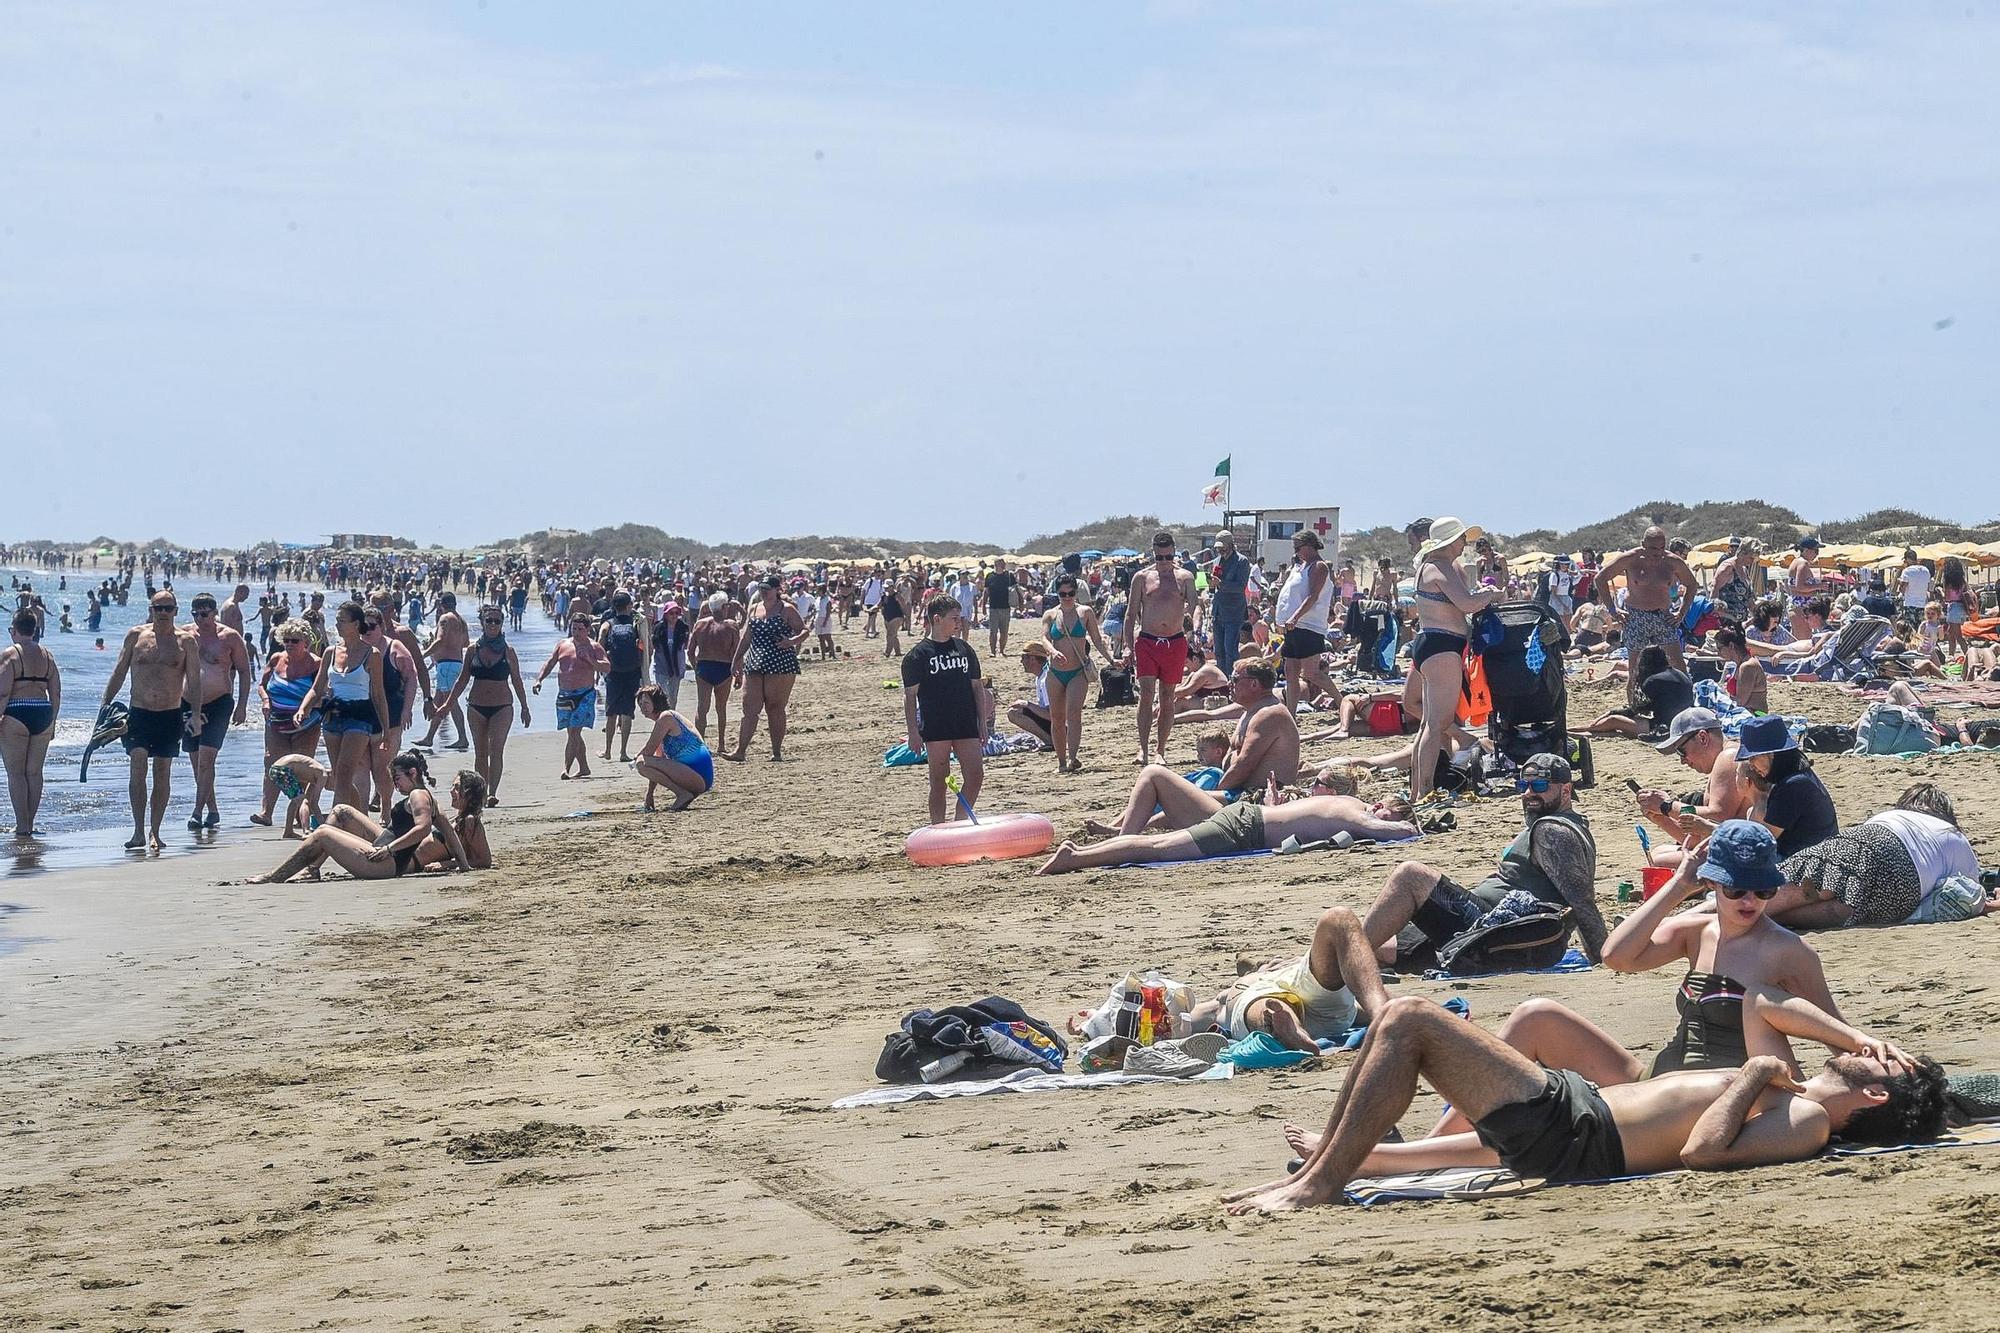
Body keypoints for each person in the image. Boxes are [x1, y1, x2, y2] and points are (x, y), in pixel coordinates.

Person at [1226, 994, 1944, 1214]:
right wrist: (1854, 1032)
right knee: (1396, 1021)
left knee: (1412, 1020)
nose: (1874, 1052)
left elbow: (1703, 1152)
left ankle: (1318, 1184)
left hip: (1577, 1133)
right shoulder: (1793, 1085)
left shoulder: (1812, 1119)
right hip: (1578, 1111)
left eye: (1881, 1060)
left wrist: (1754, 1072)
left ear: (1875, 1091)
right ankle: (1323, 1169)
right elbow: (1766, 1005)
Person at [1601, 821, 1841, 1074]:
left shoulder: (1788, 950)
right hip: (1664, 1081)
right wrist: (1678, 886)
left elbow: (1834, 1030)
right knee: (1553, 1017)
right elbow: (1616, 957)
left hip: (1732, 1091)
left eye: (1763, 890)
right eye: (1735, 889)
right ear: (1712, 883)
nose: (1750, 900)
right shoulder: (1697, 932)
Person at [1357, 753, 1607, 966]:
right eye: (1524, 786)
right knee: (1382, 941)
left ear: (1566, 790)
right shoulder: (1555, 826)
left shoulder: (1554, 831)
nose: (1528, 793)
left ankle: (1351, 964)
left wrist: (1603, 958)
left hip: (1500, 933)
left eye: (1540, 786)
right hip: (1483, 924)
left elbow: (1581, 901)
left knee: (1410, 876)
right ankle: (1349, 966)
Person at [1076, 659, 1302, 841]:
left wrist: (1217, 786)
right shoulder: (1252, 710)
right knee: (1169, 785)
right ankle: (1119, 828)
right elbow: (1211, 719)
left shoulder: (1269, 714)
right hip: (1238, 793)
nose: (1230, 684)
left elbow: (1244, 765)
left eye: (1235, 679)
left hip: (1254, 800)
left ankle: (1122, 838)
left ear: (1254, 684)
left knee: (1162, 782)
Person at [1038, 785, 1417, 876]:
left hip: (1246, 818)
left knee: (1158, 844)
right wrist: (1411, 828)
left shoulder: (1347, 800)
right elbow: (1390, 832)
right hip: (1243, 829)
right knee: (1156, 848)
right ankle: (1077, 857)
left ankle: (1082, 854)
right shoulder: (1357, 814)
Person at [1764, 783, 1981, 930]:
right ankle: (1768, 919)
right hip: (1908, 883)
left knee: (1819, 875)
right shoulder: (1954, 835)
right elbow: (1967, 892)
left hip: (1870, 838)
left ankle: (1746, 910)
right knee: (1847, 909)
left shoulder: (1894, 814)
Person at [245, 750, 471, 883]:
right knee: (341, 811)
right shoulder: (430, 798)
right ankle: (312, 869)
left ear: (413, 774)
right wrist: (463, 866)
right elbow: (450, 835)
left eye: (397, 778)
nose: (394, 783)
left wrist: (388, 849)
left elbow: (422, 829)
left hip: (384, 863)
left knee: (323, 832)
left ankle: (274, 877)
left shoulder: (418, 795)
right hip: (384, 854)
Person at [1207, 906, 1395, 1054]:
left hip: (1311, 996)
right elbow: (1196, 1016)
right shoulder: (1235, 991)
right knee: (1265, 1003)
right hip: (1269, 999)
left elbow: (1355, 1010)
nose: (1274, 961)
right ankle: (1288, 1029)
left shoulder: (1283, 969)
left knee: (1339, 918)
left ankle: (1290, 1029)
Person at [100, 591, 200, 850]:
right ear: (151, 610)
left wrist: (196, 715)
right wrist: (104, 706)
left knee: (162, 772)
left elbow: (194, 682)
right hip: (140, 713)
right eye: (159, 608)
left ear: (176, 611)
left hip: (170, 714)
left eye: (168, 608)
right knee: (138, 764)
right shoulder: (136, 636)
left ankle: (156, 831)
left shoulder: (186, 641)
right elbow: (119, 672)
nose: (163, 612)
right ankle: (138, 832)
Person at [1409, 518, 1497, 801]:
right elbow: (1467, 604)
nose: (1464, 545)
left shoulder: (1427, 566)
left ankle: (1417, 791)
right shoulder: (1439, 567)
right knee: (1436, 725)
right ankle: (1424, 791)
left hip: (1431, 644)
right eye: (1461, 540)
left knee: (1428, 725)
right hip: (1442, 646)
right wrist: (1491, 594)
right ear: (1450, 541)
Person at [902, 594, 989, 825]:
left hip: (965, 722)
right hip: (936, 725)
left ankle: (960, 821)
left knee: (975, 775)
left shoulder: (964, 649)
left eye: (959, 618)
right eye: (954, 618)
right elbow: (910, 697)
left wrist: (983, 722)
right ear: (937, 619)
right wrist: (913, 732)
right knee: (939, 780)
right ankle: (938, 827)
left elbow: (977, 687)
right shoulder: (918, 655)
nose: (959, 622)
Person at [432, 604, 530, 806]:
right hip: (476, 707)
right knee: (480, 752)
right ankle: (481, 793)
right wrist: (447, 705)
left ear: (502, 624)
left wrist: (525, 707)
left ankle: (492, 792)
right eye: (489, 620)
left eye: (497, 621)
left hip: (502, 706)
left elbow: (517, 680)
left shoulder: (508, 651)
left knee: (497, 749)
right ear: (483, 623)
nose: (493, 624)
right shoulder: (472, 650)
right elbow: (462, 680)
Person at [1637, 707, 1754, 867]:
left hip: (1744, 854)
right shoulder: (1723, 758)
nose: (1682, 761)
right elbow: (1704, 835)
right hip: (1734, 846)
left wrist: (1667, 806)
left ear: (1703, 738)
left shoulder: (1728, 757)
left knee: (1659, 861)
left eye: (1681, 751)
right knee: (1658, 853)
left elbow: (1718, 816)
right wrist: (1662, 819)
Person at [1597, 527, 1699, 706]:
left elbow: (1692, 584)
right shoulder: (1630, 559)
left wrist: (1681, 613)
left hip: (1663, 616)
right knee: (1635, 666)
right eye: (1653, 548)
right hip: (1636, 616)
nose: (1658, 553)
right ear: (1643, 545)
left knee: (1677, 662)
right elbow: (1600, 579)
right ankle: (1634, 707)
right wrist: (1613, 610)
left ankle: (1688, 704)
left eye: (1661, 548)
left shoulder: (1672, 562)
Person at [179, 592, 253, 831]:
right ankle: (212, 809)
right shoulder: (185, 634)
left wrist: (242, 705)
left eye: (204, 614)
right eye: (196, 614)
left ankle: (197, 812)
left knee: (207, 759)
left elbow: (243, 671)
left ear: (214, 613)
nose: (200, 619)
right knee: (196, 761)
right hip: (188, 704)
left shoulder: (229, 637)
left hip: (218, 702)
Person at [1124, 530, 1197, 767]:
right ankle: (1142, 748)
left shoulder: (1185, 577)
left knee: (1167, 696)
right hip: (1147, 641)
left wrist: (1194, 627)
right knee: (1146, 695)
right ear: (1153, 554)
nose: (1164, 562)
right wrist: (1127, 647)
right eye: (1159, 557)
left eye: (1168, 557)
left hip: (1174, 642)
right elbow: (1130, 613)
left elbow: (1195, 606)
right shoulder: (1141, 578)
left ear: (1174, 553)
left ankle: (1160, 750)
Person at [1039, 572, 1118, 773]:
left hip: (1077, 671)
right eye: (1062, 593)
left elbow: (1097, 640)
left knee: (1074, 714)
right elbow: (1045, 638)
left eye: (1070, 593)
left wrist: (1111, 660)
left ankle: (1073, 757)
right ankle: (1061, 762)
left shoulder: (1085, 612)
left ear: (1076, 592)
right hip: (1055, 673)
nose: (1066, 597)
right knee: (1056, 718)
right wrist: (1053, 651)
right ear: (1056, 593)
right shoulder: (1050, 614)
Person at [729, 575, 809, 763]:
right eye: (762, 588)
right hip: (755, 661)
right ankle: (740, 751)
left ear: (777, 590)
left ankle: (776, 752)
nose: (764, 591)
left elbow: (804, 630)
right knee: (750, 707)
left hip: (780, 663)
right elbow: (746, 637)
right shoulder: (755, 608)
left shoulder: (787, 609)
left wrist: (791, 642)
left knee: (775, 707)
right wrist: (736, 660)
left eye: (768, 588)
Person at [252, 621, 322, 828]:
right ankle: (266, 812)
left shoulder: (316, 664)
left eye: (294, 641)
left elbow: (322, 692)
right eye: (286, 640)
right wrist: (265, 700)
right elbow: (261, 685)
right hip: (276, 722)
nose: (289, 644)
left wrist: (306, 708)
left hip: (306, 724)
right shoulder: (276, 659)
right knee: (273, 765)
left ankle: (297, 814)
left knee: (299, 769)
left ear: (306, 642)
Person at [1734, 716, 1837, 859]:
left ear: (1771, 754)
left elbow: (1760, 841)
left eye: (1753, 758)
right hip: (1812, 858)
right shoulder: (1798, 776)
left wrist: (1710, 829)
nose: (1751, 765)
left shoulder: (1792, 786)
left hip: (1809, 864)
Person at [0, 608, 61, 836]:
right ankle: (30, 823)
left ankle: (22, 825)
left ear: (14, 630)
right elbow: (56, 693)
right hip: (43, 712)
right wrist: (53, 721)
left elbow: (4, 693)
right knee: (34, 773)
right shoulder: (47, 655)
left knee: (16, 774)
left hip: (16, 711)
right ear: (35, 630)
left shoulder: (10, 654)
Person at [535, 608, 610, 780]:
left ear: (588, 629)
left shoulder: (594, 647)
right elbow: (550, 663)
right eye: (574, 629)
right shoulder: (563, 644)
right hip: (564, 694)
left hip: (585, 694)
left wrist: (591, 660)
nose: (576, 632)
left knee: (574, 732)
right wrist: (539, 679)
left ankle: (565, 768)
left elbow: (607, 666)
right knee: (571, 732)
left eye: (580, 629)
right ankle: (584, 768)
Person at [1273, 530, 1336, 721]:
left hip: (1307, 625)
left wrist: (1294, 617)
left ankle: (1341, 701)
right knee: (1290, 670)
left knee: (1312, 672)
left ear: (1309, 546)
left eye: (1298, 548)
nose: (1296, 552)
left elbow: (1313, 596)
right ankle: (1290, 715)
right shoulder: (1299, 567)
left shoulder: (1319, 566)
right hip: (1293, 627)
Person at [1575, 644, 1692, 741]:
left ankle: (1580, 730)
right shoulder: (1679, 674)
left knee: (1613, 720)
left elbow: (1636, 709)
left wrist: (1612, 712)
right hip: (1686, 721)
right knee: (1617, 727)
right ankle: (1581, 729)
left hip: (1665, 726)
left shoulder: (1653, 680)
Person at [634, 684, 714, 812]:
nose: (643, 707)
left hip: (699, 776)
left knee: (640, 762)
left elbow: (647, 753)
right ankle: (685, 794)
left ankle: (682, 794)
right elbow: (657, 759)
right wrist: (649, 794)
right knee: (644, 763)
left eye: (646, 702)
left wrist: (636, 756)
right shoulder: (663, 721)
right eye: (640, 703)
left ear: (656, 702)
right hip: (695, 777)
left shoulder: (666, 717)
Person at [598, 591, 649, 764]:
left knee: (611, 713)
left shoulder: (607, 624)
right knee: (627, 712)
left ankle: (607, 751)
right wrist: (643, 669)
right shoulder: (636, 623)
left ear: (614, 607)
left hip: (613, 673)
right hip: (632, 672)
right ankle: (623, 752)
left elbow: (599, 646)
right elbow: (644, 646)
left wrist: (601, 668)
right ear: (629, 606)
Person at [415, 590, 470, 751]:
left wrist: (423, 655)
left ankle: (462, 738)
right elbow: (466, 643)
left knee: (450, 702)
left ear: (441, 604)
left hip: (446, 665)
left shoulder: (445, 619)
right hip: (456, 663)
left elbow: (440, 640)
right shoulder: (461, 620)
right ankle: (429, 737)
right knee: (438, 701)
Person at [690, 592, 740, 747]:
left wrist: (696, 668)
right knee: (721, 708)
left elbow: (690, 651)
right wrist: (739, 675)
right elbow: (737, 652)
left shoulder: (700, 624)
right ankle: (721, 743)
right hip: (723, 668)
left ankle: (700, 743)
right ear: (724, 607)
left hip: (704, 667)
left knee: (702, 708)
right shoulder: (731, 625)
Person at [1208, 529, 1252, 674]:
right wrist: (1211, 585)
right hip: (1218, 611)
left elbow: (1240, 586)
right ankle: (1221, 681)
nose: (1220, 551)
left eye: (1223, 548)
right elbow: (1214, 587)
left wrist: (1220, 583)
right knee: (1219, 651)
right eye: (1218, 548)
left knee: (1230, 651)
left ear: (1231, 545)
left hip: (1233, 613)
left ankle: (1233, 682)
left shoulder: (1242, 561)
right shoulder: (1218, 561)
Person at [1005, 641, 1056, 750]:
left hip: (1058, 725)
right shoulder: (1041, 676)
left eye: (1023, 658)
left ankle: (1050, 741)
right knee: (1016, 709)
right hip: (1056, 724)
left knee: (1013, 713)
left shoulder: (1046, 679)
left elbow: (1052, 715)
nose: (1021, 661)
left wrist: (1028, 705)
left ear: (1032, 659)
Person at [265, 752, 329, 838]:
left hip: (274, 770)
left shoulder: (314, 774)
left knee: (295, 801)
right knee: (303, 801)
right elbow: (313, 803)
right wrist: (325, 826)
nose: (330, 789)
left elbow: (311, 800)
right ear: (332, 775)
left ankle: (288, 831)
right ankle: (306, 831)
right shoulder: (323, 774)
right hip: (283, 770)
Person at [1713, 625, 1768, 715]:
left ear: (1731, 646)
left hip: (1756, 715)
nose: (1718, 653)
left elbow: (1740, 702)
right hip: (1747, 713)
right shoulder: (1740, 664)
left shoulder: (1747, 666)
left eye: (1720, 648)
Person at [652, 598, 691, 708]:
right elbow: (653, 646)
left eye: (676, 613)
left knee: (673, 697)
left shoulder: (683, 628)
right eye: (671, 613)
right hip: (661, 667)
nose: (674, 615)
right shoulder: (658, 628)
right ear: (665, 614)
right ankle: (663, 717)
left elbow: (686, 646)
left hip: (677, 668)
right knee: (663, 695)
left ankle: (672, 717)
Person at [983, 558, 1018, 657]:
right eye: (999, 564)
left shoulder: (1009, 576)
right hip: (993, 608)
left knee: (1004, 632)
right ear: (995, 565)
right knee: (993, 631)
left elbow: (1016, 590)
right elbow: (986, 592)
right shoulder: (989, 576)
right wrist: (984, 606)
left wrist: (1019, 604)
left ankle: (1002, 650)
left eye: (1003, 564)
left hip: (1006, 607)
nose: (1002, 565)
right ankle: (992, 651)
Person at [1938, 556, 1971, 657]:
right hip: (1961, 608)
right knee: (1951, 634)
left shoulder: (1948, 581)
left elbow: (1947, 598)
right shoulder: (1962, 581)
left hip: (1953, 607)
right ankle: (1951, 655)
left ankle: (1968, 655)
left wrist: (1940, 591)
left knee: (1958, 636)